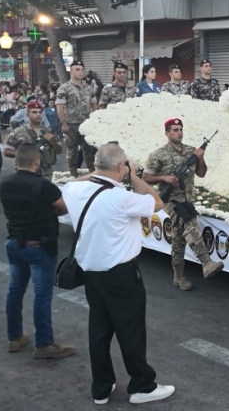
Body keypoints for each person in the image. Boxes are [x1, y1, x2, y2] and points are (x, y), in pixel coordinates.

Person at [64, 144, 175, 405]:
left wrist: (96, 173)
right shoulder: (120, 197)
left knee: (99, 329)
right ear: (120, 167)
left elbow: (74, 181)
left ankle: (101, 387)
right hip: (121, 273)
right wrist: (135, 176)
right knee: (131, 330)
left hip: (91, 272)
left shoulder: (76, 189)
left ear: (95, 166)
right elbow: (157, 202)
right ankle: (142, 385)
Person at [0, 144, 74, 359]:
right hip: (39, 245)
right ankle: (44, 343)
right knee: (42, 295)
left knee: (15, 291)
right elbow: (63, 208)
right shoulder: (44, 186)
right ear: (37, 161)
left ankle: (14, 337)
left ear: (16, 162)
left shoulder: (4, 183)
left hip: (14, 243)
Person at [143, 119, 224, 290]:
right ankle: (206, 262)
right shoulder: (158, 154)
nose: (179, 132)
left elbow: (201, 174)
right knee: (189, 222)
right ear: (167, 133)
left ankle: (179, 276)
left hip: (188, 199)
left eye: (180, 129)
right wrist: (164, 178)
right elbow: (146, 178)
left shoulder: (190, 151)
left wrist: (201, 158)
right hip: (170, 200)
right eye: (175, 130)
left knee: (179, 238)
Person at [56, 61, 97, 177]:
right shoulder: (64, 88)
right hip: (71, 124)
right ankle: (73, 173)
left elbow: (94, 105)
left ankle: (93, 173)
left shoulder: (88, 88)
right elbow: (60, 107)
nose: (80, 72)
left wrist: (96, 120)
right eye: (77, 69)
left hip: (87, 124)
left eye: (81, 70)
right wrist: (64, 124)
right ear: (71, 71)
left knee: (90, 150)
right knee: (72, 151)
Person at [5, 101, 63, 180]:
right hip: (25, 173)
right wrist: (24, 155)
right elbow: (6, 151)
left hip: (46, 173)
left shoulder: (48, 131)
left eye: (40, 112)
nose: (38, 114)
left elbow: (59, 150)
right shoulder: (18, 132)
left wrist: (52, 142)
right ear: (27, 115)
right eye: (34, 112)